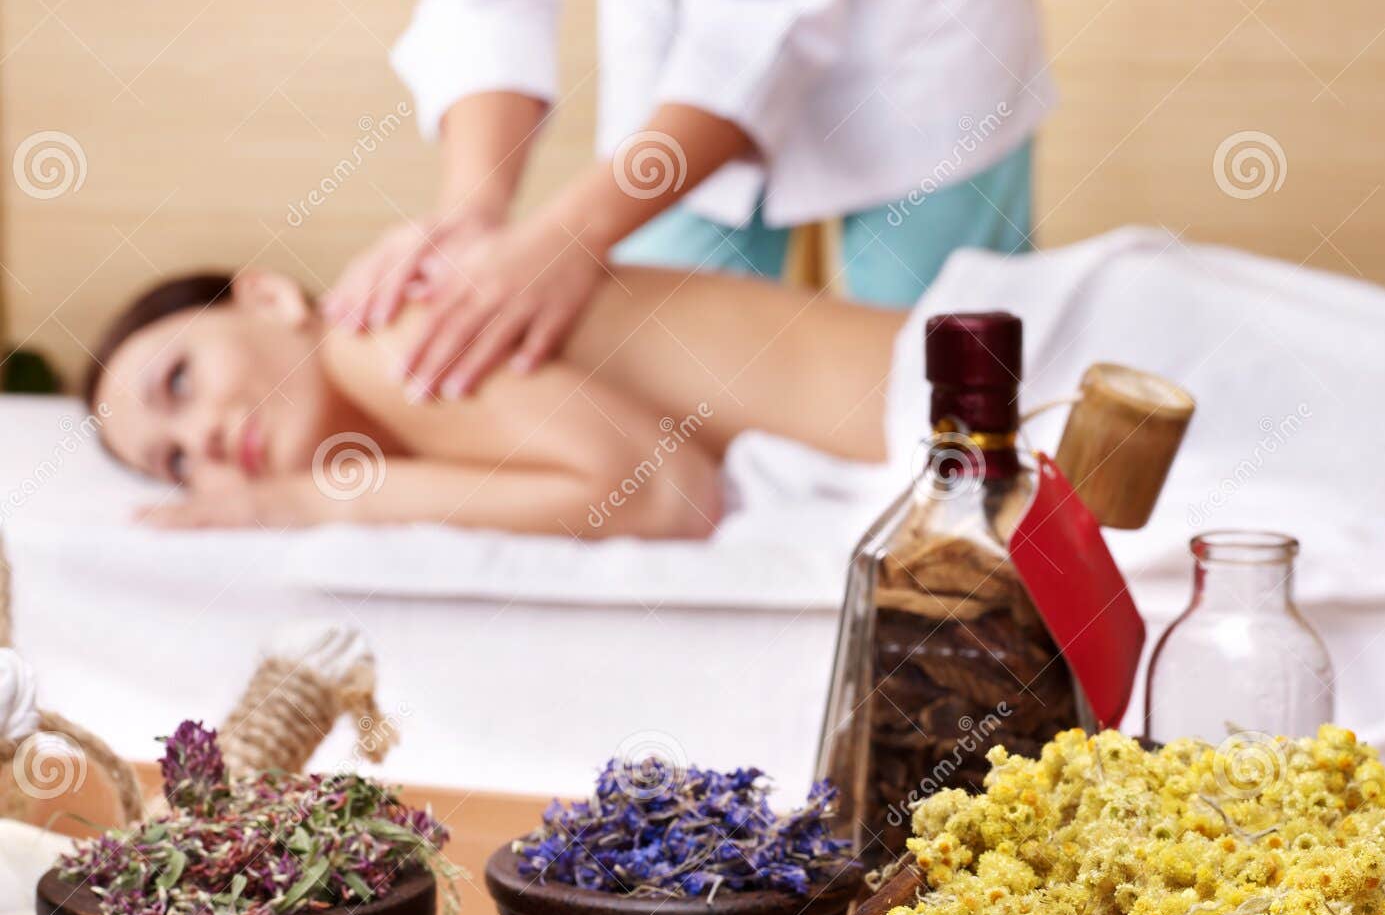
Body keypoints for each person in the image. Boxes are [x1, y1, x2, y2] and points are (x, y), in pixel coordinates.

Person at [324, 0, 1052, 403]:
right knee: (664, 393)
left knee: (948, 394)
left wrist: (575, 230)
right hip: (674, 62)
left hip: (921, 57)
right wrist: (472, 205)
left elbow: (764, 35)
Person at [88, 263, 903, 538]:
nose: (205, 441)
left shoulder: (373, 333)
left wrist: (302, 499)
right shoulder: (407, 426)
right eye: (175, 461)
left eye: (181, 380)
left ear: (265, 297)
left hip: (1006, 400)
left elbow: (668, 496)